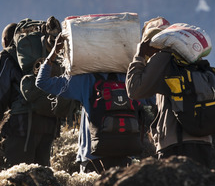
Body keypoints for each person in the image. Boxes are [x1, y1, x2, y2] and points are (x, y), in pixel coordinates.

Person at [35, 36, 140, 173]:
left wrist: (54, 52)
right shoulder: (129, 79)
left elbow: (42, 82)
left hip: (92, 156)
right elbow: (153, 99)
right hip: (126, 152)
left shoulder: (84, 80)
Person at [125, 17, 214, 167]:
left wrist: (139, 55)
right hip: (203, 141)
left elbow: (134, 89)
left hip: (177, 145)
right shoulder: (190, 60)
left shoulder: (162, 58)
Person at [0, 23, 59, 166]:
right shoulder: (44, 54)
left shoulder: (5, 56)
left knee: (18, 177)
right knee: (43, 179)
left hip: (22, 125)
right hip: (49, 123)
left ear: (6, 41)